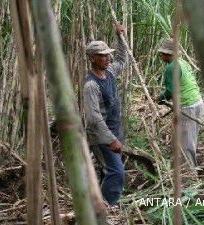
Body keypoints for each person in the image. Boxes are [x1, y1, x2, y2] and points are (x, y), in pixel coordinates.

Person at [83, 25, 127, 206]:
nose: (107, 58)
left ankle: (100, 201)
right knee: (117, 172)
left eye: (108, 54)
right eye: (102, 55)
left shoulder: (109, 72)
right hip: (101, 137)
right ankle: (109, 206)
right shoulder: (91, 86)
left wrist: (120, 38)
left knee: (108, 169)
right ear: (92, 58)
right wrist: (111, 140)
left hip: (114, 130)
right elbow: (94, 119)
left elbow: (123, 61)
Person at [157, 38, 204, 166]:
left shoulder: (171, 68)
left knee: (186, 144)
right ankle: (189, 168)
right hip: (198, 103)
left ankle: (189, 178)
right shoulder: (182, 62)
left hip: (187, 107)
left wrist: (160, 98)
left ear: (167, 54)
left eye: (162, 53)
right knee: (190, 140)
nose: (160, 56)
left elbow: (170, 91)